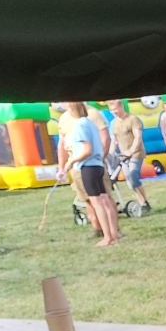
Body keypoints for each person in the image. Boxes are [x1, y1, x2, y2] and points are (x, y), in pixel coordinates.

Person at [55, 101, 120, 246]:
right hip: (98, 165)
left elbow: (87, 150)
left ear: (72, 108)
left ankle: (107, 237)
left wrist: (71, 161)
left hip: (87, 167)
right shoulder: (90, 123)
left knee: (97, 203)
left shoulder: (80, 125)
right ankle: (114, 235)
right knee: (105, 200)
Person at [108, 100, 151, 214]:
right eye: (111, 110)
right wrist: (110, 154)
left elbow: (138, 137)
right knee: (130, 182)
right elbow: (114, 141)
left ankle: (144, 202)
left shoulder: (133, 119)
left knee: (133, 177)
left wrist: (131, 151)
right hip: (124, 156)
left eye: (115, 109)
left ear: (121, 107)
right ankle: (142, 202)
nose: (114, 112)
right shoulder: (113, 123)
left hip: (136, 153)